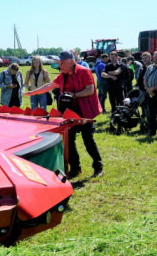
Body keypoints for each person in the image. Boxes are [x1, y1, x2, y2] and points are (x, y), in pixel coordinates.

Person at [24, 50, 104, 178]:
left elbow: (90, 90)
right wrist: (33, 92)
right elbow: (49, 85)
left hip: (85, 111)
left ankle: (98, 167)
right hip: (70, 112)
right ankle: (75, 167)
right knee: (69, 139)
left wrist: (73, 95)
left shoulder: (84, 71)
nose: (60, 65)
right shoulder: (63, 75)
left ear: (71, 62)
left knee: (87, 138)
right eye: (59, 63)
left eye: (62, 63)